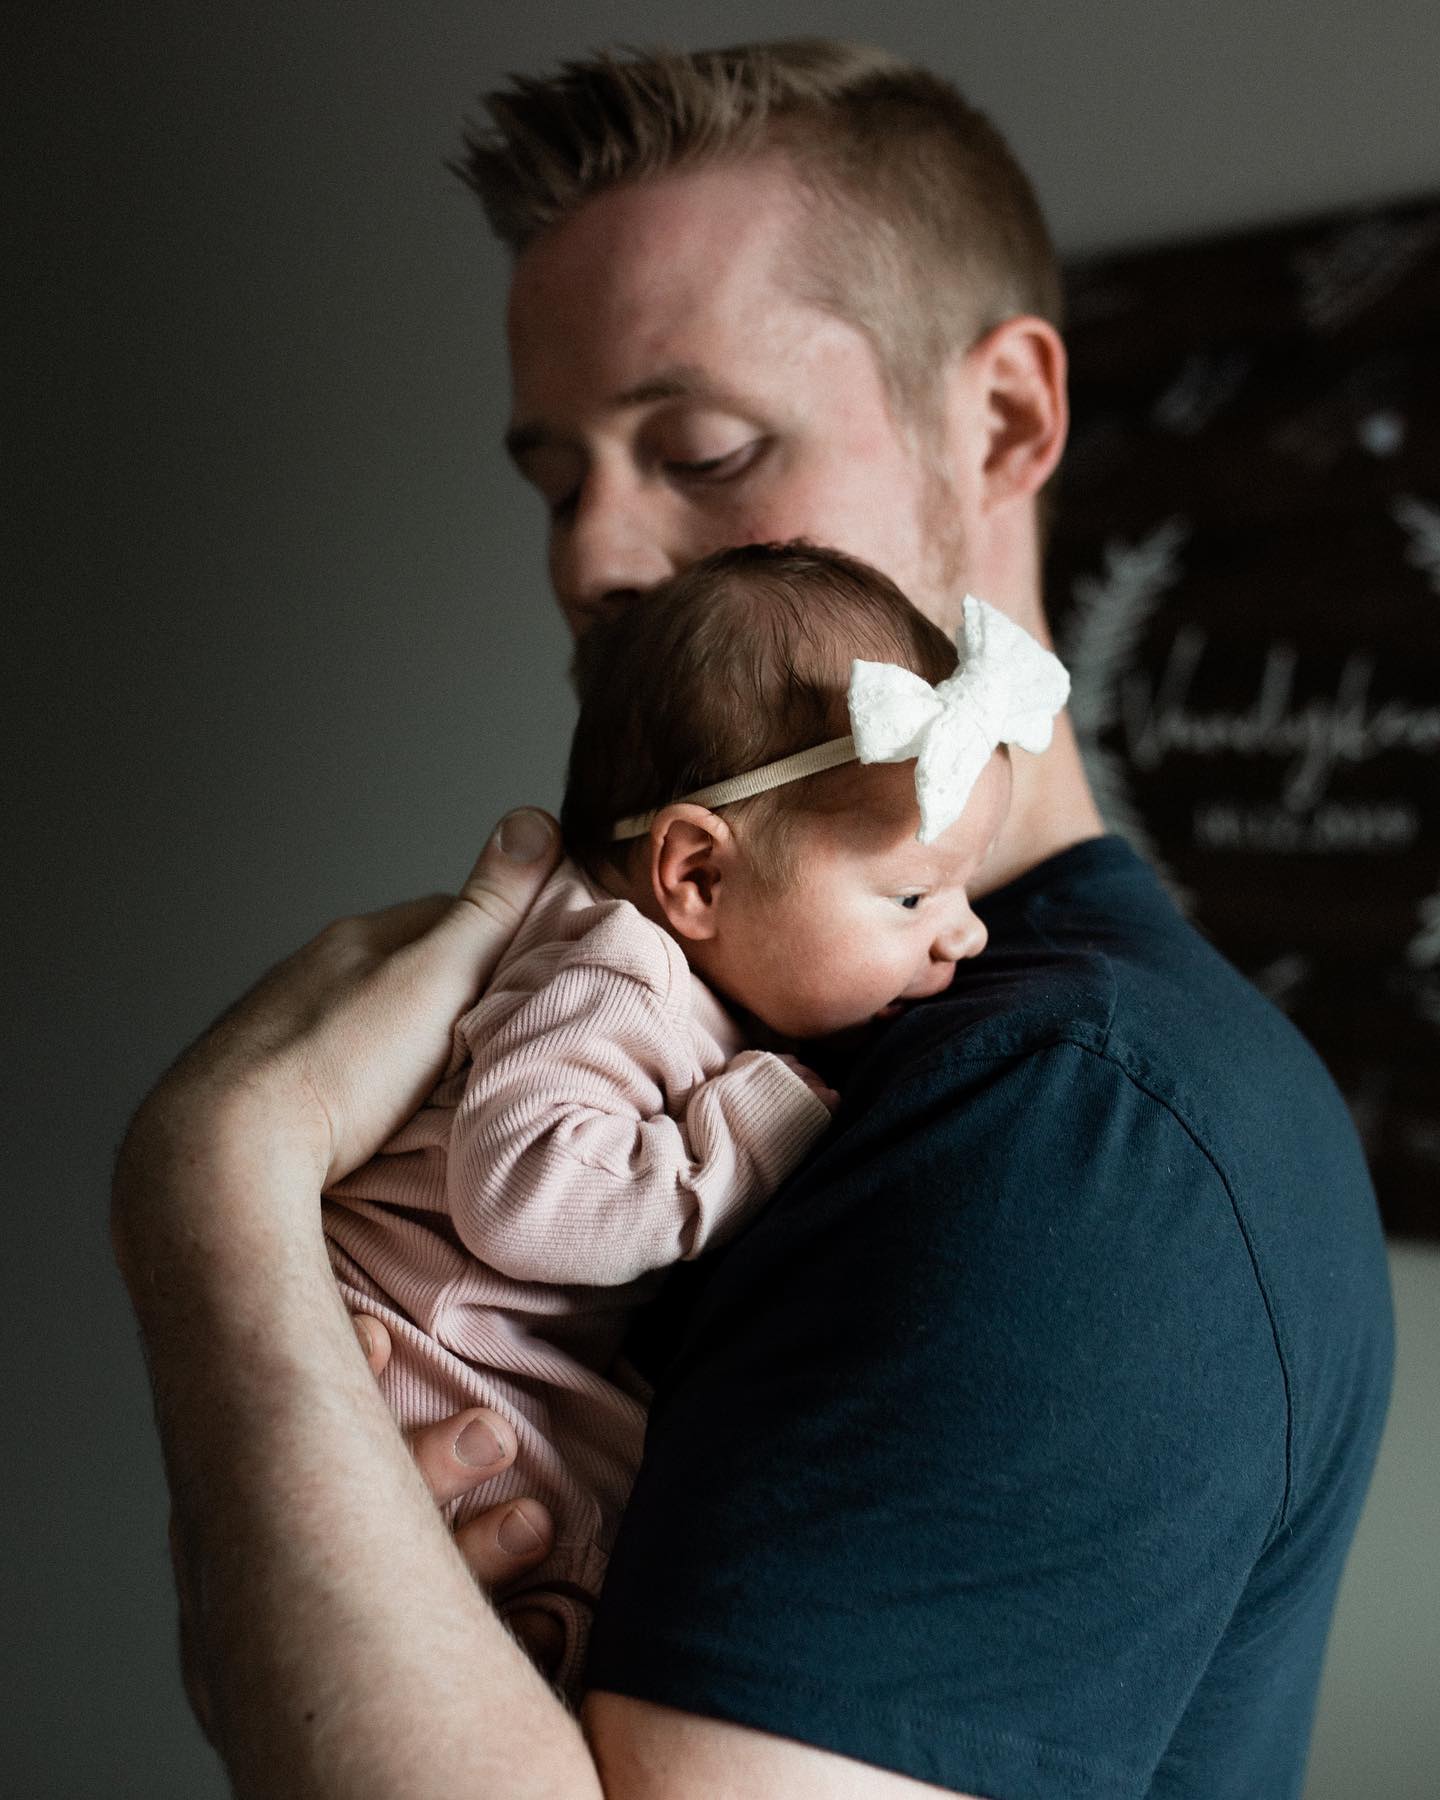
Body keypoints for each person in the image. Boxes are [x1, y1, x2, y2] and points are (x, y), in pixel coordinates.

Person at [111, 39, 1394, 1800]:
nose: (591, 560)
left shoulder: (1075, 1123)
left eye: (702, 449)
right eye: (559, 482)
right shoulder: (738, 1001)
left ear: (1007, 419)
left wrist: (211, 1193)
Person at [323, 541, 1067, 1703]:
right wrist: (751, 1128)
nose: (963, 934)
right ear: (697, 878)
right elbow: (521, 1192)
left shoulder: (667, 978)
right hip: (426, 1347)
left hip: (487, 1350)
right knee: (589, 1574)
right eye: (914, 895)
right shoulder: (615, 975)